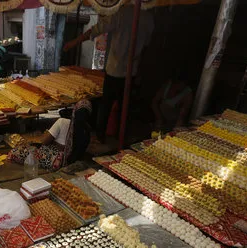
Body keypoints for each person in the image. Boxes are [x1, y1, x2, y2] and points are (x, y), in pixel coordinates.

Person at [63, 6, 154, 144]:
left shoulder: (121, 14)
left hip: (115, 70)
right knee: (125, 107)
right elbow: (146, 47)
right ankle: (120, 137)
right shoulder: (148, 18)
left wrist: (73, 42)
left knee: (106, 105)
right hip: (132, 71)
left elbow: (95, 30)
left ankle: (101, 137)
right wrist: (140, 69)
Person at [8, 100, 92, 170]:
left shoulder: (63, 122)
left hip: (56, 160)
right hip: (70, 160)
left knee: (16, 151)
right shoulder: (87, 131)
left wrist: (40, 137)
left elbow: (43, 141)